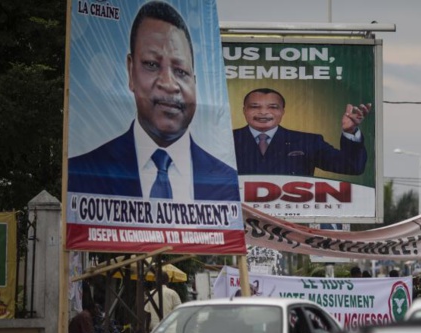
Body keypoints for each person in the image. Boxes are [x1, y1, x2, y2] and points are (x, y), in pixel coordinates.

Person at [67, 1, 239, 202]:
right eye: (151, 65)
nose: (169, 84)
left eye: (181, 71)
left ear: (194, 81)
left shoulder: (225, 180)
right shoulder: (84, 173)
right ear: (131, 71)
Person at [233, 88, 370, 176]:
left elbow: (353, 167)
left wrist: (350, 131)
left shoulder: (308, 142)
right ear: (244, 110)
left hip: (292, 210)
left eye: (273, 107)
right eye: (254, 107)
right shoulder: (226, 139)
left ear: (282, 111)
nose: (263, 112)